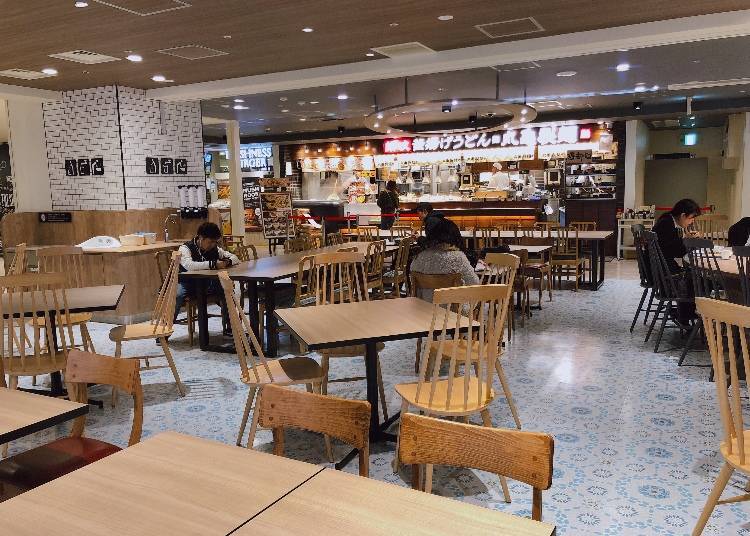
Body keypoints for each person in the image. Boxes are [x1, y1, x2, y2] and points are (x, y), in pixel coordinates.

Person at [177, 222, 240, 336]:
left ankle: (229, 327)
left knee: (227, 290)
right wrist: (213, 264)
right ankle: (164, 332)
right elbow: (189, 265)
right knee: (177, 294)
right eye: (210, 241)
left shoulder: (215, 248)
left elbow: (235, 258)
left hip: (207, 283)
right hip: (186, 283)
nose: (212, 245)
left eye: (215, 242)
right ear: (201, 238)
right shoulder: (185, 248)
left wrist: (228, 261)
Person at [410, 217, 479, 302]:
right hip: (452, 311)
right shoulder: (457, 258)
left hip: (424, 308)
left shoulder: (418, 257)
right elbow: (474, 283)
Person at [651, 198, 701, 274]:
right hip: (660, 271)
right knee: (697, 277)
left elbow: (673, 248)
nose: (692, 221)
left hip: (658, 266)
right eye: (692, 218)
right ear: (683, 216)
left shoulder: (668, 219)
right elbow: (676, 252)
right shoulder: (666, 224)